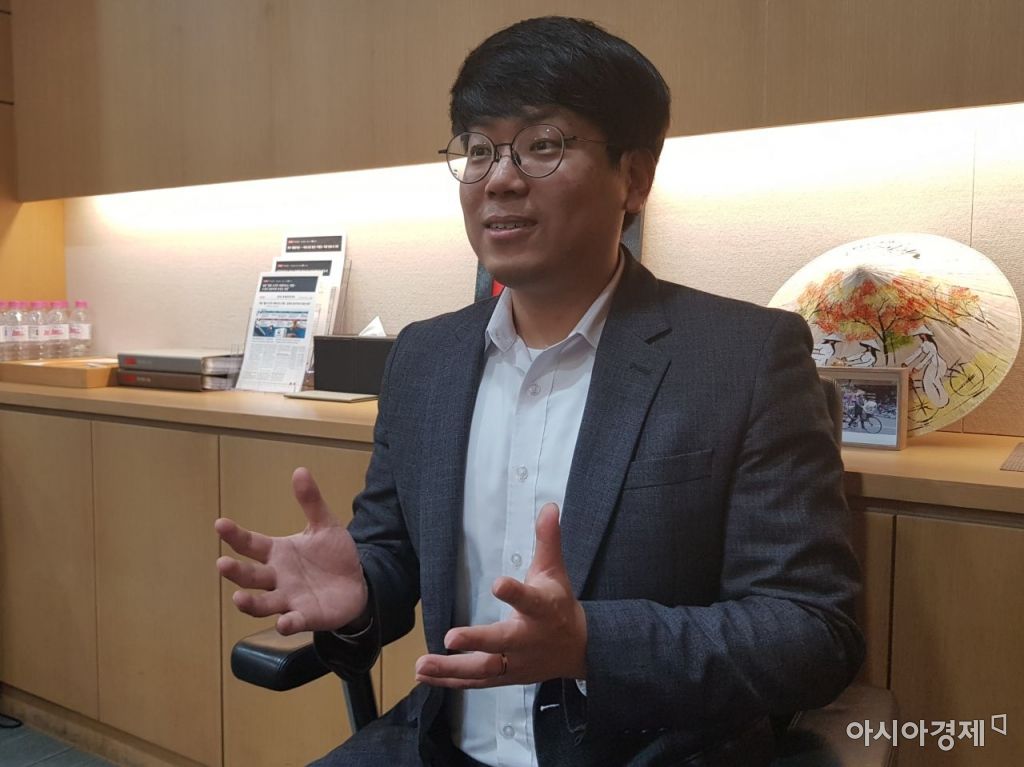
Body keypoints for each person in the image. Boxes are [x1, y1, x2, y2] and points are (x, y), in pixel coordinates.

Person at [216, 17, 863, 767]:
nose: (500, 178)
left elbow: (813, 631)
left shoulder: (743, 359)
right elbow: (390, 554)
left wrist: (592, 643)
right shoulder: (424, 358)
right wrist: (359, 592)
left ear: (635, 177)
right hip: (438, 743)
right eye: (479, 149)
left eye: (544, 144)